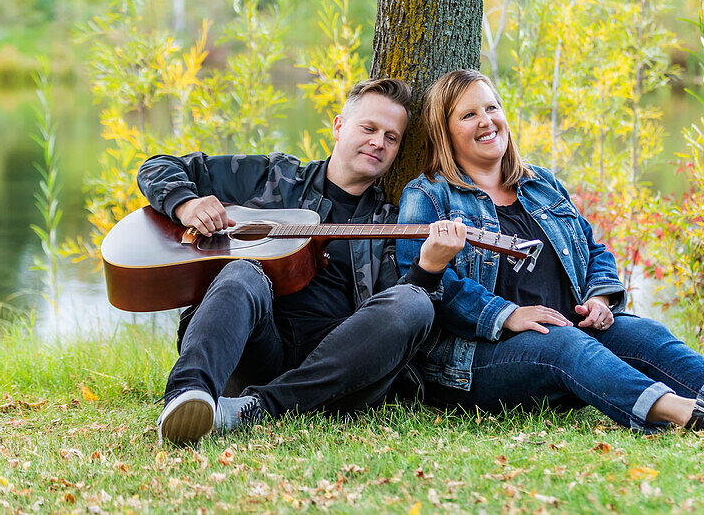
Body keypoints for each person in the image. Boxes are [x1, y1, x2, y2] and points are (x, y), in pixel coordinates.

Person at [396, 70, 704, 438]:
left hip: (573, 336)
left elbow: (593, 248)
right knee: (562, 343)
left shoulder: (540, 182)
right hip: (478, 364)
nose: (486, 121)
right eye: (468, 114)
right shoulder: (428, 196)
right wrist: (508, 315)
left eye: (491, 108)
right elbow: (423, 288)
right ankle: (693, 415)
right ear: (444, 130)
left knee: (644, 334)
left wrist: (600, 299)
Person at [138, 78, 463, 445]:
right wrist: (186, 203)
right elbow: (157, 167)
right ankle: (186, 398)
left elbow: (394, 321)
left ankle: (259, 408)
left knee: (414, 302)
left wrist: (428, 270)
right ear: (339, 127)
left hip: (334, 371)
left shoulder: (388, 223)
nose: (378, 142)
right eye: (369, 128)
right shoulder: (275, 177)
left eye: (392, 137)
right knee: (244, 271)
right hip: (251, 347)